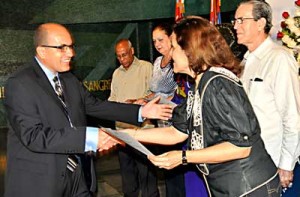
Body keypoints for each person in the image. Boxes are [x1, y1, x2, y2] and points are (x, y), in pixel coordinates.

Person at [116, 16, 281, 196]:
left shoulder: (218, 83)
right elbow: (177, 131)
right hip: (228, 186)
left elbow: (241, 146)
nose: (170, 54)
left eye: (174, 48)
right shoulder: (198, 84)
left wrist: (183, 157)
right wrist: (128, 135)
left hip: (249, 187)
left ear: (190, 51)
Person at [3, 23, 172, 197]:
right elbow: (34, 136)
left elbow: (95, 105)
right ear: (42, 51)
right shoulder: (20, 84)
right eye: (62, 48)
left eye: (71, 46)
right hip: (42, 182)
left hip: (79, 176)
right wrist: (89, 137)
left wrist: (140, 111)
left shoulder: (68, 79)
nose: (71, 53)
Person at [233, 1, 300, 196]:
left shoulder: (278, 59)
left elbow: (292, 116)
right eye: (235, 20)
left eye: (241, 20)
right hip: (252, 165)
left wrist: (286, 164)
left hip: (275, 165)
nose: (235, 26)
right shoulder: (246, 62)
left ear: (261, 23)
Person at [108, 39, 160, 197]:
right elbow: (113, 98)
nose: (122, 59)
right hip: (123, 133)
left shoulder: (146, 67)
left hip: (144, 131)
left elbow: (156, 95)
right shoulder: (116, 73)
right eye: (118, 56)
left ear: (132, 51)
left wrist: (136, 102)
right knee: (128, 176)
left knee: (147, 176)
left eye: (124, 55)